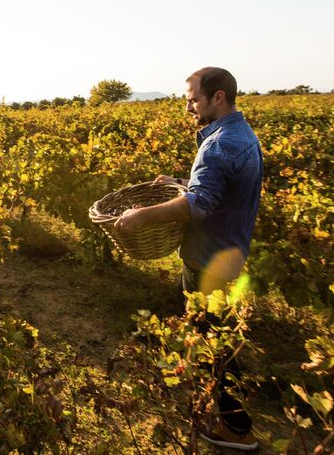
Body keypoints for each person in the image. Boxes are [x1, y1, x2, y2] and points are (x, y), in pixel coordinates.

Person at [113, 67, 263, 451]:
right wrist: (180, 183)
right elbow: (218, 191)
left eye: (193, 99)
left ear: (218, 97)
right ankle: (218, 408)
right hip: (230, 253)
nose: (188, 108)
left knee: (216, 346)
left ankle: (237, 428)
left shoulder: (217, 144)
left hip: (206, 260)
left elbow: (201, 204)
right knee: (217, 340)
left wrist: (141, 215)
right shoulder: (242, 135)